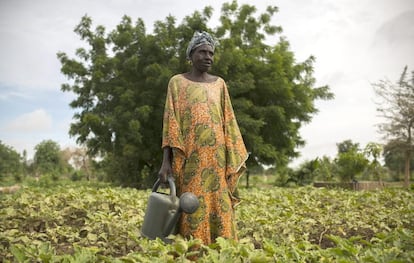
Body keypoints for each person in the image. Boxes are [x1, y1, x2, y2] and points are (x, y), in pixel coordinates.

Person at [158, 31, 248, 245]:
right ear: (191, 55)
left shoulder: (220, 84)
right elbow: (170, 123)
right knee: (190, 207)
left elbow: (228, 121)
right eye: (203, 52)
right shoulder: (177, 83)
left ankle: (222, 253)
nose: (208, 57)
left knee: (220, 206)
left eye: (211, 53)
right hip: (189, 160)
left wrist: (230, 157)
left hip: (218, 162)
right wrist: (166, 162)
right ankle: (193, 254)